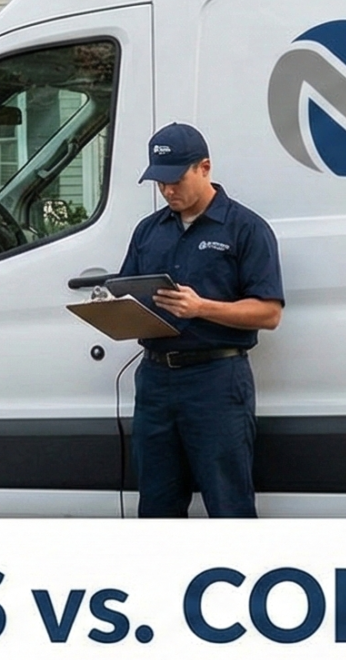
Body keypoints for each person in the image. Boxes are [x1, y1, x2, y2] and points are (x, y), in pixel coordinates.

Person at [119, 123, 284, 518]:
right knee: (157, 503)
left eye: (175, 180)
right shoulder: (148, 231)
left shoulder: (246, 228)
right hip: (156, 380)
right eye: (159, 183)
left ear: (204, 167)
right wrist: (112, 309)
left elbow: (270, 313)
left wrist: (202, 308)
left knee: (228, 502)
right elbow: (126, 290)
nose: (168, 191)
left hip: (216, 381)